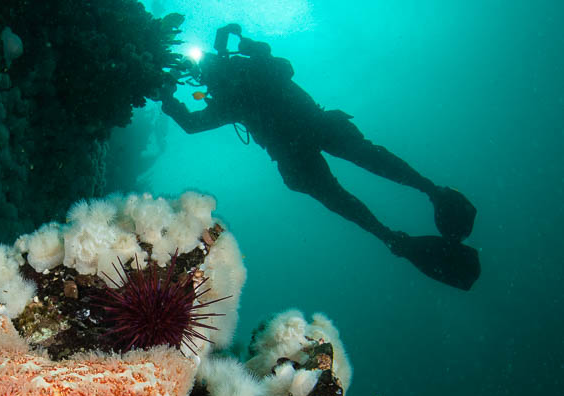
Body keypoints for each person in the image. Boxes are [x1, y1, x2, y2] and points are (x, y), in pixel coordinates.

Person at [159, 24, 480, 290]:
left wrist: (169, 98)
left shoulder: (237, 88)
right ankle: (418, 209)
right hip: (312, 131)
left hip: (300, 143)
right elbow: (281, 70)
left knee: (347, 186)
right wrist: (250, 50)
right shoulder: (238, 86)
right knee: (363, 167)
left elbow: (194, 122)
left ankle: (404, 225)